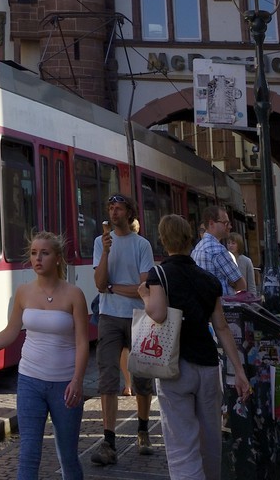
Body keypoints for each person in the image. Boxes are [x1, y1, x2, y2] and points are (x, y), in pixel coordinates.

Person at [0, 231, 87, 480]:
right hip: (30, 381)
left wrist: (77, 380)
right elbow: (10, 332)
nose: (37, 258)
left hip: (64, 385)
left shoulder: (74, 295)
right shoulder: (23, 292)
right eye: (33, 253)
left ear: (58, 258)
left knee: (68, 456)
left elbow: (82, 341)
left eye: (44, 253)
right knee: (29, 453)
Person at [138, 213, 251, 480]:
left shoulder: (159, 274)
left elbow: (157, 313)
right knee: (210, 440)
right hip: (208, 365)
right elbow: (221, 328)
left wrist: (144, 294)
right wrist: (239, 370)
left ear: (164, 241)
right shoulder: (208, 280)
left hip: (175, 365)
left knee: (181, 444)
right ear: (190, 239)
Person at [91, 193, 155, 464]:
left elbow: (143, 289)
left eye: (118, 208)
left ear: (129, 213)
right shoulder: (100, 243)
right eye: (110, 207)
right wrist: (105, 252)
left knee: (141, 377)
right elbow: (98, 283)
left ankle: (143, 429)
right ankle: (109, 440)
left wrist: (114, 288)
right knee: (107, 377)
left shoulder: (141, 245)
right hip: (108, 316)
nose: (113, 212)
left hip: (138, 317)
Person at [191, 207, 244, 296]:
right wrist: (229, 282)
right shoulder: (218, 250)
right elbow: (241, 284)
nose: (230, 226)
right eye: (225, 223)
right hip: (223, 306)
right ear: (211, 223)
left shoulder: (197, 248)